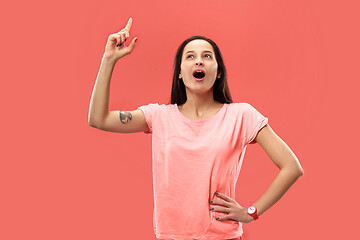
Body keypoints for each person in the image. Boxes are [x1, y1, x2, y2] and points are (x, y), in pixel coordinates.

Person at [88, 17, 304, 240]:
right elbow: (98, 118)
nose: (198, 61)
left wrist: (251, 212)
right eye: (190, 57)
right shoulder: (159, 116)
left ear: (218, 71)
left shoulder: (241, 115)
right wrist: (109, 59)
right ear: (180, 73)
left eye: (207, 56)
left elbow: (291, 167)